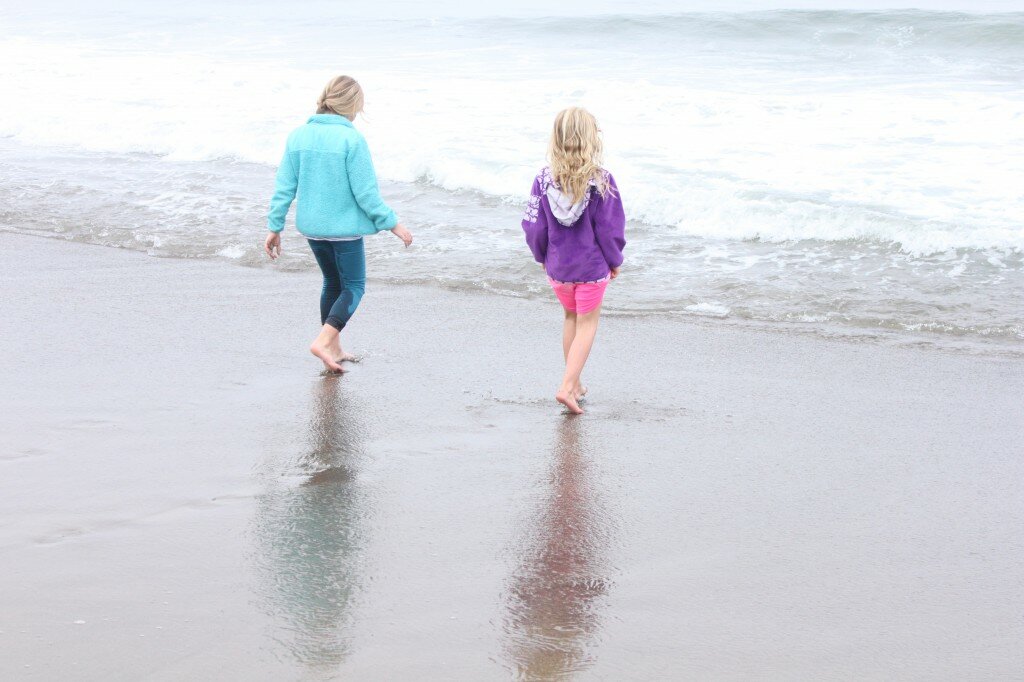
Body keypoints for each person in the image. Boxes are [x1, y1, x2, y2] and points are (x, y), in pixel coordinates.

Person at [264, 75, 412, 373]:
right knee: (354, 286)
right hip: (343, 231)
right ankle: (323, 340)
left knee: (332, 283)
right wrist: (392, 223)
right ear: (353, 106)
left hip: (312, 228)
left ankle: (333, 347)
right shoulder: (352, 139)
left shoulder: (298, 135)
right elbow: (366, 193)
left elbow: (284, 187)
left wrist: (274, 226)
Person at [521, 107, 626, 414]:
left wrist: (542, 255)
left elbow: (532, 226)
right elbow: (610, 230)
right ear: (591, 139)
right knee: (587, 323)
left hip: (558, 268)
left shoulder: (542, 181)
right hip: (591, 268)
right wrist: (614, 259)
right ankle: (567, 387)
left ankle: (576, 385)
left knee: (570, 318)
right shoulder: (602, 181)